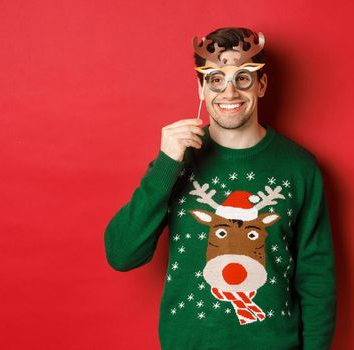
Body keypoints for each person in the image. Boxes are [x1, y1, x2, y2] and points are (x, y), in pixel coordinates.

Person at [104, 27, 337, 349]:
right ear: (201, 88)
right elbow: (122, 254)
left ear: (261, 85)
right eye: (215, 79)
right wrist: (166, 163)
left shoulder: (299, 167)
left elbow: (316, 276)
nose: (229, 93)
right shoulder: (175, 162)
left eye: (242, 78)